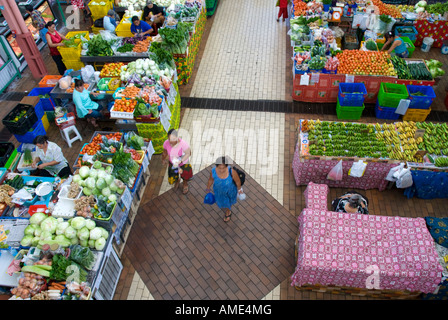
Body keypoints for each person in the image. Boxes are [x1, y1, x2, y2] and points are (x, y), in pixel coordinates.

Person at [206, 156, 243, 222]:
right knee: (222, 201)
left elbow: (237, 181)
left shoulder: (231, 172)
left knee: (228, 202)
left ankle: (228, 212)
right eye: (219, 168)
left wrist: (240, 189)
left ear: (226, 166)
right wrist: (208, 188)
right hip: (219, 191)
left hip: (230, 191)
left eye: (223, 168)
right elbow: (210, 180)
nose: (221, 170)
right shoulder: (213, 171)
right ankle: (227, 208)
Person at [162, 129, 193, 194]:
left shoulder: (183, 144)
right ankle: (177, 181)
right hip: (173, 164)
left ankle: (185, 184)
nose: (171, 141)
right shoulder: (166, 143)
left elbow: (189, 153)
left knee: (185, 175)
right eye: (169, 138)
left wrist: (181, 161)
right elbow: (164, 152)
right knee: (173, 174)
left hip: (183, 164)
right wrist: (163, 159)